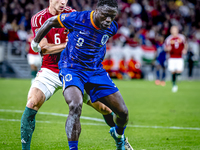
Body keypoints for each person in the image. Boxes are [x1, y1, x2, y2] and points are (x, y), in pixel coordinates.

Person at [21, 0, 133, 150]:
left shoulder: (74, 14)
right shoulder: (39, 18)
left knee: (106, 109)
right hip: (53, 69)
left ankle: (121, 139)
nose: (62, 2)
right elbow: (44, 49)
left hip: (82, 69)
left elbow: (98, 40)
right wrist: (67, 45)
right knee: (33, 102)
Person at [164, 25, 187, 92]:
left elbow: (185, 44)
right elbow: (165, 48)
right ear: (171, 31)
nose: (174, 31)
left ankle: (179, 76)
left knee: (179, 71)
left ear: (177, 30)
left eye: (175, 29)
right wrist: (167, 49)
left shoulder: (182, 37)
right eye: (173, 30)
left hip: (179, 57)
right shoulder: (168, 39)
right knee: (173, 71)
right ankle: (174, 85)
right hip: (172, 57)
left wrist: (185, 49)